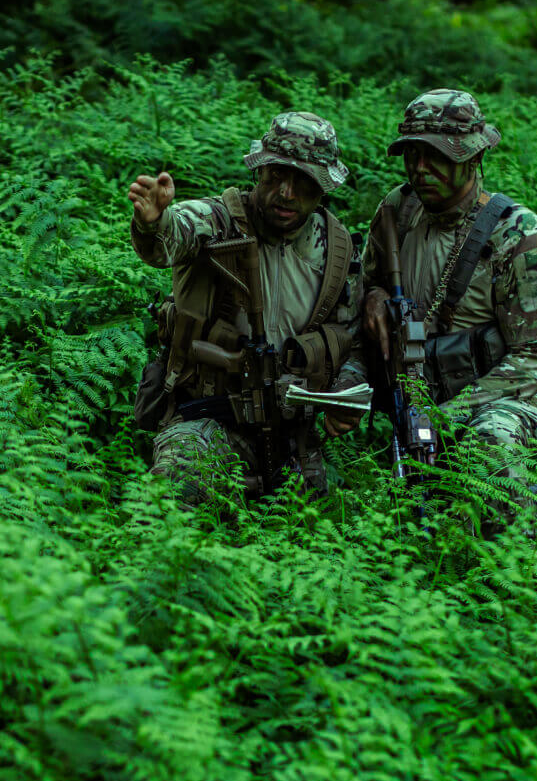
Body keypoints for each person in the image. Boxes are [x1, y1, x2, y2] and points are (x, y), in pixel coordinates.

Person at [128, 112, 367, 505]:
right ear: (260, 171)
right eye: (276, 176)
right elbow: (171, 237)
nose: (287, 193)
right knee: (176, 493)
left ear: (324, 185)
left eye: (303, 182)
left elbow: (351, 339)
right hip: (206, 418)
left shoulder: (338, 250)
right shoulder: (219, 221)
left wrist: (343, 396)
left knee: (327, 523)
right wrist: (154, 222)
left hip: (291, 434)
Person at [359, 89, 537, 532]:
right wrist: (374, 298)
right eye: (412, 154)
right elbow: (367, 282)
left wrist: (451, 415)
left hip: (493, 399)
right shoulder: (397, 211)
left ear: (473, 158)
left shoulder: (516, 232)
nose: (419, 168)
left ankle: (510, 577)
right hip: (408, 395)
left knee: (493, 443)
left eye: (435, 155)